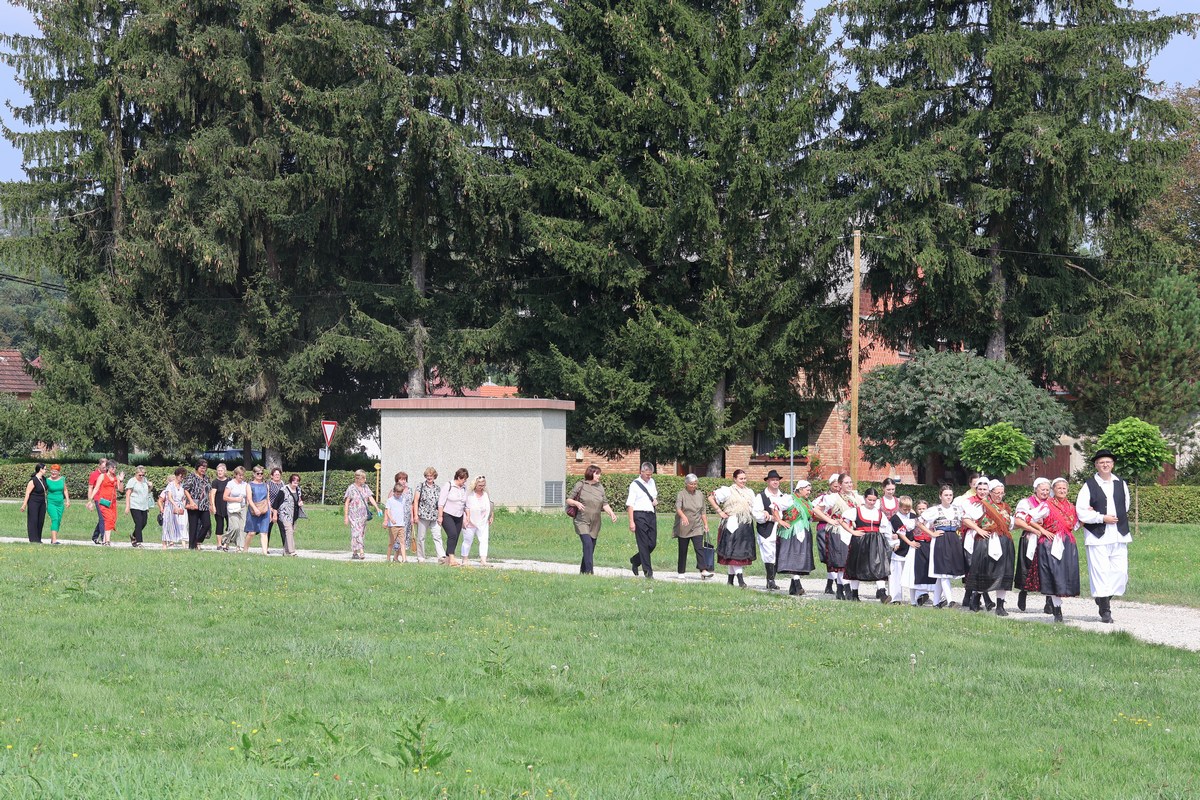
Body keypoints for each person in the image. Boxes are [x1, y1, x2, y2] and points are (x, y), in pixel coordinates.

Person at [1075, 449, 1131, 624]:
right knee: (1100, 572)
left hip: (1119, 534)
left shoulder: (1121, 483)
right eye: (1101, 462)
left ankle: (1102, 597)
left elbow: (1126, 506)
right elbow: (1081, 512)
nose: (1105, 465)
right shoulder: (1089, 485)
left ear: (1112, 464)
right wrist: (1101, 518)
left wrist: (1114, 518)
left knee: (1120, 573)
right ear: (1096, 465)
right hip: (1097, 535)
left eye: (1108, 462)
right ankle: (1105, 610)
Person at [962, 480, 1016, 616]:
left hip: (1003, 541)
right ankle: (976, 597)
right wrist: (978, 530)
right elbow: (965, 519)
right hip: (986, 542)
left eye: (1001, 493)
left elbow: (1010, 524)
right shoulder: (982, 505)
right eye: (996, 493)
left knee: (1003, 573)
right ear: (990, 493)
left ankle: (1000, 605)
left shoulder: (1006, 507)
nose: (999, 495)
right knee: (984, 571)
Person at [918, 485, 967, 608]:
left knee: (942, 573)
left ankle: (935, 603)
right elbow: (919, 522)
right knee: (943, 571)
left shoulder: (957, 509)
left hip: (954, 540)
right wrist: (931, 533)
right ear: (940, 496)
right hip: (940, 540)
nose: (948, 497)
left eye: (950, 495)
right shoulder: (934, 510)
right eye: (946, 495)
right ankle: (950, 601)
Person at [1040, 477, 1082, 622]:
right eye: (1059, 488)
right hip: (1051, 544)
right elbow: (1029, 519)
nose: (1062, 491)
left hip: (1068, 544)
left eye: (1064, 488)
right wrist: (1043, 531)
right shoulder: (1046, 505)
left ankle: (1057, 605)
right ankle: (1057, 610)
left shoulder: (1072, 507)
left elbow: (1075, 526)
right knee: (1054, 575)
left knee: (1065, 575)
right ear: (1053, 490)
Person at [843, 487, 893, 602]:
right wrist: (852, 531)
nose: (871, 502)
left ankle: (882, 593)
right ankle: (854, 594)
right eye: (869, 500)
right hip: (860, 541)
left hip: (876, 541)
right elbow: (842, 520)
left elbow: (886, 528)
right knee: (857, 566)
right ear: (865, 498)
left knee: (879, 566)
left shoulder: (879, 513)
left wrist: (890, 541)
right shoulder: (856, 511)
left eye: (874, 500)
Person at [708, 469, 757, 587]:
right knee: (735, 553)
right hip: (732, 524)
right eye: (741, 479)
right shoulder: (728, 491)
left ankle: (730, 581)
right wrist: (719, 511)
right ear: (735, 479)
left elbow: (754, 507)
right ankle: (740, 580)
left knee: (737, 553)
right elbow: (711, 497)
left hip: (745, 524)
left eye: (745, 478)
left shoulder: (749, 492)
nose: (743, 481)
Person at [566, 464, 618, 574]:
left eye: (600, 474)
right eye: (597, 473)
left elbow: (604, 504)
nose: (599, 476)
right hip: (582, 521)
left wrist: (611, 513)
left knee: (590, 548)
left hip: (595, 523)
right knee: (588, 545)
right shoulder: (580, 485)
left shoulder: (600, 487)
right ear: (591, 473)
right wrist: (576, 503)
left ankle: (583, 572)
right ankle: (590, 572)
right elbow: (568, 500)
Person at [1013, 478, 1053, 611]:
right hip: (1030, 537)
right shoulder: (1026, 502)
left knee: (1048, 568)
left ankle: (1049, 601)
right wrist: (1035, 530)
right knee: (1027, 567)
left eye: (1047, 490)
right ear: (1036, 489)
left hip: (1047, 539)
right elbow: (1019, 521)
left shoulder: (1051, 503)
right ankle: (1023, 593)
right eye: (1043, 489)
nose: (1045, 492)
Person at [954, 475, 993, 609]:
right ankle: (983, 598)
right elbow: (965, 519)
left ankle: (969, 597)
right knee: (973, 567)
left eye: (985, 489)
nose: (982, 491)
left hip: (988, 537)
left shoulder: (992, 503)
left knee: (984, 568)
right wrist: (978, 529)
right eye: (980, 489)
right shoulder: (968, 501)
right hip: (972, 536)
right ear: (976, 489)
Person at [777, 480, 818, 595]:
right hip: (791, 531)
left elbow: (815, 513)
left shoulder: (807, 502)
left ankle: (793, 588)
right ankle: (798, 585)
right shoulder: (789, 499)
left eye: (810, 490)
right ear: (800, 490)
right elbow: (774, 507)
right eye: (807, 490)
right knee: (793, 557)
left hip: (804, 531)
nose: (809, 492)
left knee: (799, 557)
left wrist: (829, 520)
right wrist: (780, 520)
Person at [750, 469, 789, 590]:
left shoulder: (783, 496)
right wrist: (772, 517)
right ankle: (770, 580)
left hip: (781, 529)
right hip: (766, 529)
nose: (775, 482)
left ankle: (772, 579)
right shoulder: (761, 497)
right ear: (768, 481)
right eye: (773, 480)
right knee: (768, 554)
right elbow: (757, 515)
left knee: (778, 553)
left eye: (777, 480)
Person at [673, 474, 710, 578]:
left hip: (697, 525)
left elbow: (703, 511)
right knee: (683, 549)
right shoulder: (681, 494)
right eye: (691, 484)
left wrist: (706, 524)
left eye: (695, 484)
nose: (693, 486)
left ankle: (703, 570)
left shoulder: (700, 494)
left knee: (699, 548)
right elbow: (678, 508)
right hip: (685, 525)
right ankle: (681, 572)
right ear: (686, 483)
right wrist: (683, 516)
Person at [625, 462, 658, 579]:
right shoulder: (634, 485)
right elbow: (630, 505)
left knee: (652, 544)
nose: (649, 477)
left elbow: (653, 495)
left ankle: (635, 560)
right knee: (643, 544)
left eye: (651, 475)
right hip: (639, 515)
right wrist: (631, 521)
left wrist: (654, 500)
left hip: (651, 514)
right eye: (647, 474)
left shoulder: (652, 482)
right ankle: (648, 572)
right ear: (641, 472)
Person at [344, 468, 380, 560]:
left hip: (363, 515)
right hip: (353, 514)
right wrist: (346, 516)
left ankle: (355, 552)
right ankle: (361, 552)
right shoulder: (351, 488)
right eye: (363, 478)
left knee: (361, 533)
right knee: (356, 532)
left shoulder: (365, 487)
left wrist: (377, 508)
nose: (365, 480)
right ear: (358, 478)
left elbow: (370, 498)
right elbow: (347, 502)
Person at [887, 496, 917, 605]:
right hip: (899, 549)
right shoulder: (894, 519)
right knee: (896, 574)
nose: (907, 512)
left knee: (913, 574)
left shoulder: (913, 516)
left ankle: (916, 597)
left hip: (912, 549)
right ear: (899, 507)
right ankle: (896, 597)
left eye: (909, 509)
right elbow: (891, 533)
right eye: (904, 509)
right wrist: (894, 543)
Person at [438, 467, 470, 566]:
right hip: (447, 514)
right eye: (464, 479)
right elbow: (441, 502)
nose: (465, 481)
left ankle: (447, 560)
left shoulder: (464, 488)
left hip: (459, 515)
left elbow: (465, 504)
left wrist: (467, 516)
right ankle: (452, 559)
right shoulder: (449, 485)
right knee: (452, 534)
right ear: (459, 477)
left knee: (455, 537)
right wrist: (440, 516)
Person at [411, 468, 443, 563]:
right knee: (421, 537)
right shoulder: (420, 486)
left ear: (434, 477)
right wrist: (416, 515)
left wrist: (441, 515)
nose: (429, 477)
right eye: (427, 476)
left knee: (437, 536)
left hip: (434, 516)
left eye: (431, 476)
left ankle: (441, 556)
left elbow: (440, 502)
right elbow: (416, 500)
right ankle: (421, 556)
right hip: (423, 515)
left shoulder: (437, 488)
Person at [462, 475, 494, 567]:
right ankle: (465, 559)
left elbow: (489, 505)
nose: (482, 487)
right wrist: (466, 519)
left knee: (484, 540)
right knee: (467, 540)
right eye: (480, 485)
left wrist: (491, 515)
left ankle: (483, 560)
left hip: (483, 521)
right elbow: (465, 506)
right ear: (475, 485)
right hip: (470, 521)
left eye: (483, 485)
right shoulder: (469, 494)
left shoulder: (485, 494)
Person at [89, 461, 123, 545]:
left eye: (115, 468)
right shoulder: (102, 476)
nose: (114, 469)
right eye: (112, 468)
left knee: (112, 519)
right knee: (108, 519)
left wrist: (121, 480)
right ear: (108, 468)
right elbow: (96, 488)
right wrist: (90, 500)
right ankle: (107, 541)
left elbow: (120, 490)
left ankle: (104, 541)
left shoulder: (116, 477)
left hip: (112, 502)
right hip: (104, 501)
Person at [270, 473, 303, 556]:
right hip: (284, 514)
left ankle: (286, 551)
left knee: (292, 531)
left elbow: (300, 499)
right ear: (290, 481)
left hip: (294, 514)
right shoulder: (283, 490)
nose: (295, 482)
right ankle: (292, 552)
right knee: (289, 531)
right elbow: (275, 503)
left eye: (297, 481)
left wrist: (300, 502)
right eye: (294, 480)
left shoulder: (298, 490)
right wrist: (274, 514)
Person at [182, 459, 212, 550]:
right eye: (202, 467)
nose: (204, 469)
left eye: (205, 468)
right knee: (193, 526)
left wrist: (211, 504)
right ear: (197, 467)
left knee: (207, 524)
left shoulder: (206, 478)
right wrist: (190, 501)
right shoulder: (191, 476)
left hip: (204, 504)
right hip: (193, 504)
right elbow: (186, 489)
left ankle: (198, 540)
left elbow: (209, 491)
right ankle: (191, 546)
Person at [384, 473, 413, 563]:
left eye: (404, 479)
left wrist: (412, 517)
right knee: (393, 542)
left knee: (403, 541)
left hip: (404, 521)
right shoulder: (391, 497)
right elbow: (387, 509)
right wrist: (387, 520)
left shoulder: (406, 494)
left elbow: (410, 505)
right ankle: (390, 558)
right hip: (394, 523)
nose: (403, 481)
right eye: (401, 479)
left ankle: (403, 558)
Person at [124, 465, 154, 548]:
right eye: (139, 475)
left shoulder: (145, 480)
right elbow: (128, 494)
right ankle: (139, 541)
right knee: (138, 522)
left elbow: (147, 491)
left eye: (143, 475)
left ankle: (134, 536)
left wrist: (150, 486)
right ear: (136, 474)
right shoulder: (132, 481)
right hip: (134, 504)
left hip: (144, 505)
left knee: (144, 523)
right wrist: (127, 506)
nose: (141, 476)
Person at [158, 467, 188, 548]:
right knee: (167, 525)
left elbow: (184, 497)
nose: (182, 478)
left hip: (179, 507)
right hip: (170, 507)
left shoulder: (182, 486)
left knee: (180, 525)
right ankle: (164, 544)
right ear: (177, 475)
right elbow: (169, 497)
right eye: (181, 476)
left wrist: (182, 506)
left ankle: (179, 542)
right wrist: (175, 505)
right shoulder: (170, 485)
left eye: (183, 477)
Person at [245, 466, 271, 554]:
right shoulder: (249, 485)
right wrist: (255, 509)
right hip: (253, 510)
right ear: (254, 474)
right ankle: (245, 549)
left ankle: (264, 552)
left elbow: (268, 499)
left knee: (264, 532)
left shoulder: (266, 485)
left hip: (264, 510)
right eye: (258, 473)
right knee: (251, 532)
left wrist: (270, 511)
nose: (260, 475)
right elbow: (249, 499)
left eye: (261, 473)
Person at [222, 467, 249, 551]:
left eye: (242, 475)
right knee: (235, 527)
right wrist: (236, 499)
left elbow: (247, 496)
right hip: (233, 507)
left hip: (243, 507)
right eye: (239, 475)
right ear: (235, 475)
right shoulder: (230, 484)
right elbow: (225, 497)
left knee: (242, 528)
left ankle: (239, 546)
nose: (241, 477)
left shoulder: (245, 484)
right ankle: (225, 540)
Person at [20, 462, 48, 543]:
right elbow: (27, 493)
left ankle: (38, 539)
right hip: (33, 502)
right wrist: (24, 505)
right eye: (45, 469)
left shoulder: (44, 479)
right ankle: (33, 539)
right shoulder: (33, 480)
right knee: (33, 520)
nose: (46, 471)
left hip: (42, 502)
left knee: (40, 520)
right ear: (40, 470)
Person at [44, 463, 69, 545]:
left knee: (58, 520)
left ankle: (52, 538)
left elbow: (65, 490)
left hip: (60, 504)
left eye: (55, 471)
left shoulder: (62, 479)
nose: (53, 473)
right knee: (55, 519)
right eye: (52, 471)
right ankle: (54, 540)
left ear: (58, 472)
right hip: (51, 503)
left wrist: (67, 500)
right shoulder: (47, 480)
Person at [210, 463, 231, 551]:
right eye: (218, 471)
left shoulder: (229, 481)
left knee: (230, 525)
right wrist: (213, 506)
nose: (219, 472)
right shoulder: (215, 482)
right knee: (219, 525)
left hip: (228, 506)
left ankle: (226, 543)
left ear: (225, 471)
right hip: (218, 506)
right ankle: (219, 544)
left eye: (221, 470)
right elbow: (212, 495)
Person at [87, 457, 108, 544]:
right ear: (99, 466)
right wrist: (90, 501)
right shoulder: (94, 474)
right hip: (98, 498)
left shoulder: (108, 474)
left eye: (106, 467)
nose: (105, 469)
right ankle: (104, 538)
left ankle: (95, 536)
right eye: (103, 467)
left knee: (103, 518)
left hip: (106, 499)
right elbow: (90, 488)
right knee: (103, 518)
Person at [265, 467, 285, 549]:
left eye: (278, 474)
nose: (277, 476)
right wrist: (271, 510)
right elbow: (267, 498)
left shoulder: (283, 484)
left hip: (281, 510)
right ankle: (265, 547)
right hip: (271, 509)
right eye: (275, 474)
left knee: (283, 529)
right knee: (268, 529)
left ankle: (286, 548)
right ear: (272, 476)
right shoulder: (268, 484)